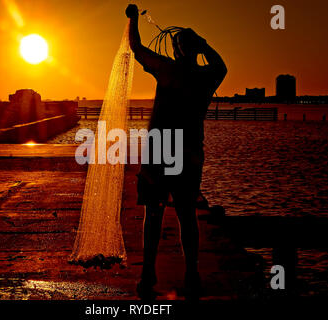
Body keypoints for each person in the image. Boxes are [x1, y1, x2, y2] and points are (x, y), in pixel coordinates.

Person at [125, 4, 227, 300]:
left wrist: (133, 19)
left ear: (177, 48)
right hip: (190, 153)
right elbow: (221, 65)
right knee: (186, 215)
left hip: (159, 154)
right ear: (195, 48)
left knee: (153, 215)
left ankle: (148, 276)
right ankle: (192, 274)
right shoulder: (208, 76)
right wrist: (203, 43)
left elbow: (136, 46)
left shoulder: (166, 69)